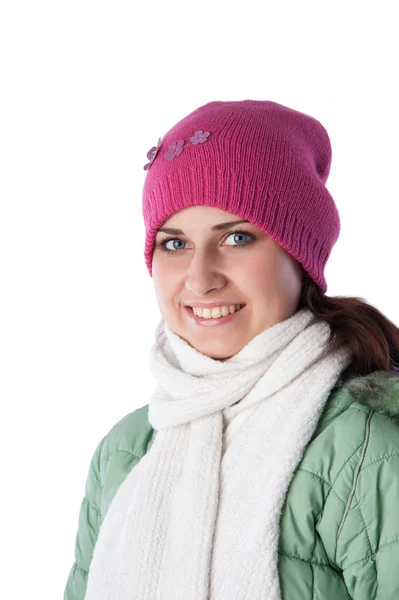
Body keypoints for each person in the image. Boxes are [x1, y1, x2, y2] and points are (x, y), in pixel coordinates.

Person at [64, 100, 399, 600]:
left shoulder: (363, 449)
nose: (200, 278)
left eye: (237, 237)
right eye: (174, 244)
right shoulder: (126, 449)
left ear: (299, 256)